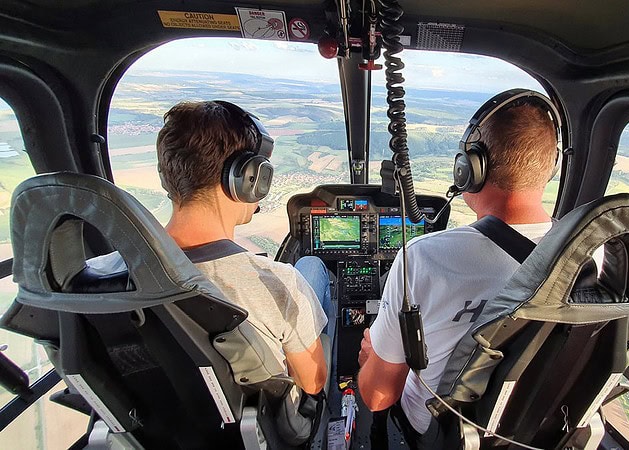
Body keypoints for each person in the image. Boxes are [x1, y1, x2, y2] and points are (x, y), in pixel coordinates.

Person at [357, 90, 559, 445]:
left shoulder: (424, 258)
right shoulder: (591, 259)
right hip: (530, 431)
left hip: (442, 434)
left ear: (470, 168)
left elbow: (377, 397)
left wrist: (374, 355)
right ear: (551, 167)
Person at [156, 100, 333, 395]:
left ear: (168, 176)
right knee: (312, 266)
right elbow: (313, 384)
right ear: (250, 177)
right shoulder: (277, 283)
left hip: (169, 418)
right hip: (261, 425)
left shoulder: (106, 273)